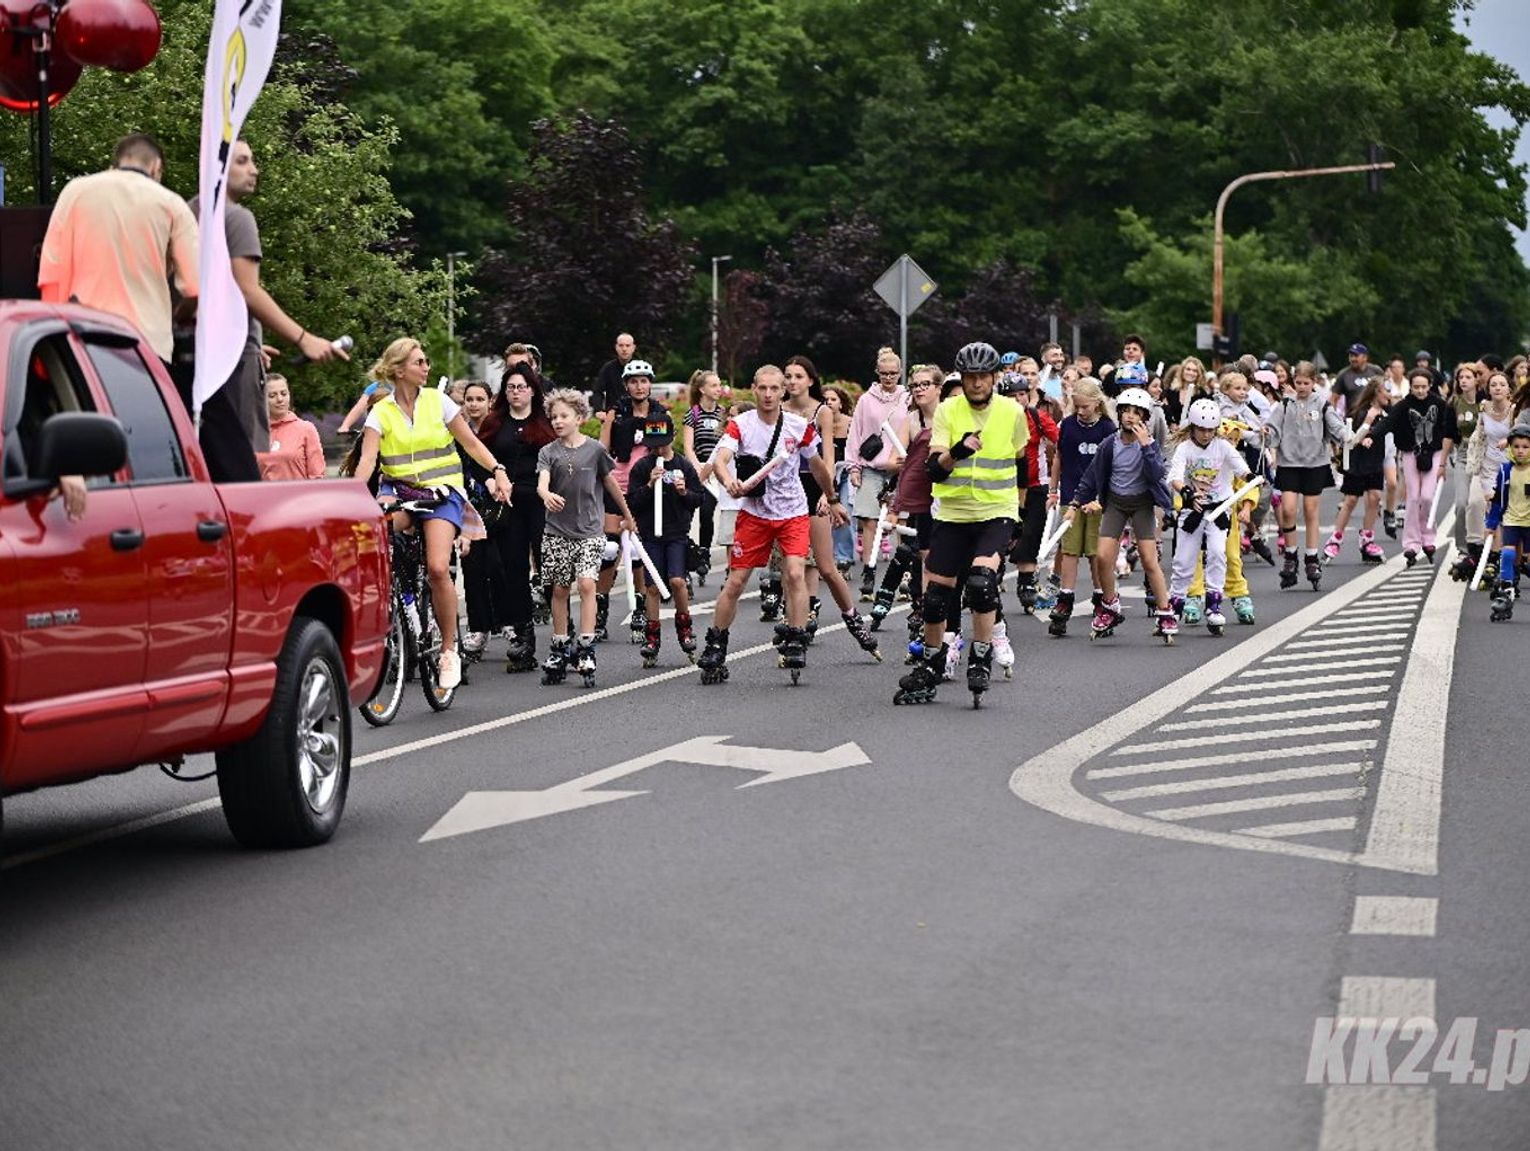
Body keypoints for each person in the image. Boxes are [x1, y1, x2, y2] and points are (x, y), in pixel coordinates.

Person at [352, 339, 510, 690]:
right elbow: (368, 461)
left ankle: (449, 650)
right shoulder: (380, 413)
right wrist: (350, 497)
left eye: (426, 361)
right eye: (419, 362)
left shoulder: (439, 402)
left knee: (438, 567)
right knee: (379, 533)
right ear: (399, 370)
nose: (426, 367)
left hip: (442, 493)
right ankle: (400, 600)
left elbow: (471, 443)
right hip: (399, 493)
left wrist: (498, 470)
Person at [195, 139, 349, 461]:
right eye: (242, 161)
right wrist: (304, 339)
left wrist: (237, 339)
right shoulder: (237, 218)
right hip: (232, 366)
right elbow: (248, 289)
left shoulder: (188, 211)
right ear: (217, 167)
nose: (254, 170)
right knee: (242, 462)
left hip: (200, 355)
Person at [893, 341, 1029, 705]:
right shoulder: (948, 410)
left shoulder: (1012, 412)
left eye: (983, 376)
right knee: (936, 597)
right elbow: (934, 470)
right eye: (970, 377)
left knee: (982, 583)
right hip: (953, 513)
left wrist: (1020, 513)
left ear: (995, 378)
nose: (977, 383)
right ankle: (930, 664)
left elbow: (1021, 463)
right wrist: (958, 451)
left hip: (996, 512)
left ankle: (981, 656)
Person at [698, 365, 849, 684]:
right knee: (736, 581)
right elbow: (721, 459)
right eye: (762, 388)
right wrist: (728, 482)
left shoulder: (798, 426)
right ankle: (716, 644)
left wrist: (833, 498)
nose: (768, 394)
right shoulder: (741, 424)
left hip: (792, 512)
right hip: (755, 514)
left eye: (774, 388)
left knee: (794, 573)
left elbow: (817, 466)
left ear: (783, 391)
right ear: (754, 389)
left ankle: (796, 637)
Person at [38, 134, 198, 366]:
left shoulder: (75, 191)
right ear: (156, 167)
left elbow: (51, 269)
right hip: (147, 342)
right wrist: (179, 315)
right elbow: (194, 286)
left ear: (114, 163)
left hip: (84, 335)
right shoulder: (172, 204)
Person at [536, 389, 638, 686]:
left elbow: (611, 483)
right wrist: (545, 494)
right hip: (557, 531)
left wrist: (627, 514)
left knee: (587, 584)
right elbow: (542, 482)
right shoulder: (548, 452)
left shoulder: (595, 450)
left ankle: (586, 646)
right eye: (554, 417)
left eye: (564, 416)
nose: (558, 421)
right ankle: (559, 646)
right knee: (559, 589)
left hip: (590, 531)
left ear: (579, 418)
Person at [781, 356, 881, 659]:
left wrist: (829, 493)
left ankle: (853, 618)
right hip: (785, 492)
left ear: (811, 380)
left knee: (826, 566)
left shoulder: (821, 411)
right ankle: (793, 626)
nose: (792, 381)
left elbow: (827, 456)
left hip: (814, 487)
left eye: (799, 376)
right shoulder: (779, 410)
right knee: (792, 568)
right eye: (788, 376)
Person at [1062, 387, 1176, 643]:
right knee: (1103, 557)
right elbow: (1091, 477)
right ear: (1120, 413)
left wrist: (1146, 447)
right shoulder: (1109, 444)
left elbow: (1157, 474)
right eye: (1126, 411)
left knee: (1149, 559)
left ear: (1145, 417)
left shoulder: (1149, 445)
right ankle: (1110, 604)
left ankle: (1165, 611)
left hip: (1142, 503)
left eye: (1137, 413)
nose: (1130, 416)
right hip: (1115, 502)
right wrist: (1075, 504)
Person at [473, 366, 557, 671]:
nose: (516, 392)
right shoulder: (495, 422)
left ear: (533, 390)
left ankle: (563, 632)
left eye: (521, 387)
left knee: (549, 565)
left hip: (541, 502)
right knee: (514, 568)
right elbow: (477, 457)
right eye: (510, 387)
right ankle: (523, 637)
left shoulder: (546, 422)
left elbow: (561, 458)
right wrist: (489, 480)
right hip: (507, 503)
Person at [597, 359, 672, 641]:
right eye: (633, 382)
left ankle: (640, 607)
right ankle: (600, 610)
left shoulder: (659, 413)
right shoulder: (616, 413)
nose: (639, 386)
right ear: (626, 385)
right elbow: (602, 450)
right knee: (609, 549)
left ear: (650, 384)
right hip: (616, 485)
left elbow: (664, 451)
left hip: (645, 486)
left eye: (643, 381)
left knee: (638, 550)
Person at [1167, 399, 1252, 635]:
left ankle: (1214, 605)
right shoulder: (1184, 448)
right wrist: (1185, 491)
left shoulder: (1222, 447)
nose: (1206, 435)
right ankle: (1174, 608)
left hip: (1218, 510)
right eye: (1201, 429)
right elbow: (1174, 476)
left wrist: (1251, 476)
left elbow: (1240, 467)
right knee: (1184, 561)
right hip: (1192, 510)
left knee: (1217, 553)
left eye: (1210, 430)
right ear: (1192, 427)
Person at [1266, 361, 1350, 589]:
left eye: (1306, 383)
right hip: (1289, 463)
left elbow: (1336, 426)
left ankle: (1311, 558)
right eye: (1298, 382)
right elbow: (1272, 428)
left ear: (1313, 382)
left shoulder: (1322, 404)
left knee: (1311, 511)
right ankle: (1290, 556)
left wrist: (1346, 435)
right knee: (1288, 510)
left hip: (1315, 463)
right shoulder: (1285, 404)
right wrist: (1266, 433)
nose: (1301, 387)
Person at [626, 428, 703, 666]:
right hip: (651, 535)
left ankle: (685, 627)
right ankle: (652, 637)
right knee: (652, 587)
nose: (659, 450)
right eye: (654, 445)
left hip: (676, 533)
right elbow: (632, 502)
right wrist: (650, 484)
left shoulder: (683, 465)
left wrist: (683, 492)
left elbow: (698, 498)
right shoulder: (642, 467)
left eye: (663, 444)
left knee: (677, 581)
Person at [1046, 377, 1115, 637]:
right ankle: (1066, 597)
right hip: (1071, 496)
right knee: (1070, 549)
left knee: (1096, 552)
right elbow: (1059, 458)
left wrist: (1104, 498)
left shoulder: (1107, 428)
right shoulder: (1068, 426)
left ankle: (1101, 599)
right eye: (1077, 407)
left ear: (1097, 403)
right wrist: (1053, 490)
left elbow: (1112, 466)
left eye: (1085, 406)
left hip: (1097, 499)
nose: (1081, 411)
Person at [846, 348, 912, 601]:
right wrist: (854, 467)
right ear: (877, 373)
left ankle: (905, 575)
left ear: (900, 373)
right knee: (869, 521)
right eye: (884, 373)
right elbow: (856, 433)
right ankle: (869, 572)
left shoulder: (907, 398)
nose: (889, 378)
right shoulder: (866, 399)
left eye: (893, 373)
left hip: (901, 468)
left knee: (902, 523)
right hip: (872, 467)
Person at [1388, 366, 1458, 566]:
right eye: (1416, 387)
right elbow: (1389, 423)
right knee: (1413, 498)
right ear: (1410, 387)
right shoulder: (1403, 405)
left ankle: (1428, 537)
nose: (1420, 391)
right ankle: (1411, 542)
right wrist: (1370, 436)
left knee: (1427, 497)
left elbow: (1450, 427)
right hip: (1411, 453)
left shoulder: (1440, 404)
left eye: (1423, 387)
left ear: (1430, 386)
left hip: (1434, 453)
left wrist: (1452, 447)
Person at [1455, 370, 1516, 582]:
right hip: (1485, 466)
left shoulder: (1515, 411)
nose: (1497, 388)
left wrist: (1509, 440)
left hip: (1508, 469)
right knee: (1474, 503)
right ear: (1488, 389)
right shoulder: (1483, 408)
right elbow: (1479, 435)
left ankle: (1496, 558)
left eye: (1502, 385)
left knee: (1499, 513)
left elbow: (1522, 437)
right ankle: (1476, 550)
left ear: (1509, 389)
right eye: (1493, 385)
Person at [1324, 375, 1391, 565]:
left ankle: (1367, 539)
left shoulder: (1387, 413)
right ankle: (1335, 538)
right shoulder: (1361, 412)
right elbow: (1352, 437)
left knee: (1375, 497)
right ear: (1377, 392)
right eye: (1386, 391)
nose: (1389, 395)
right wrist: (1366, 429)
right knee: (1351, 500)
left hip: (1376, 461)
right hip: (1358, 461)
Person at [681, 368, 729, 579]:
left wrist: (715, 467)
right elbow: (688, 447)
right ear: (702, 389)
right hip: (698, 469)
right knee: (693, 512)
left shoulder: (723, 413)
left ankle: (705, 551)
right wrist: (698, 468)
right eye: (714, 385)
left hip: (718, 468)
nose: (719, 389)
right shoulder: (693, 414)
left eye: (719, 385)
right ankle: (692, 553)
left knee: (708, 512)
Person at [1486, 423, 1530, 621]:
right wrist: (1491, 524)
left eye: (1525, 447)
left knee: (1526, 560)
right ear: (1510, 448)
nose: (1520, 451)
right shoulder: (1505, 471)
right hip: (1511, 519)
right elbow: (1497, 500)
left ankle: (1514, 577)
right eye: (1516, 446)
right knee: (1508, 553)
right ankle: (1506, 590)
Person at [257, 374, 326, 481]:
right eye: (272, 395)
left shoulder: (306, 429)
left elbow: (317, 475)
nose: (280, 399)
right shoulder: (254, 432)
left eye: (284, 394)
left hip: (299, 492)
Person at [1330, 342, 1382, 415]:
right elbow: (1333, 399)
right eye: (1351, 356)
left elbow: (1386, 391)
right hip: (1353, 417)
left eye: (1356, 356)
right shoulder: (1344, 375)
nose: (1353, 359)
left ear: (1365, 357)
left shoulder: (1376, 371)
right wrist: (1333, 417)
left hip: (1375, 415)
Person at [594, 332, 638, 415]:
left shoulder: (640, 368)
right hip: (613, 415)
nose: (624, 349)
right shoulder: (608, 368)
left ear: (633, 348)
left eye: (627, 345)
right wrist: (599, 410)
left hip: (635, 414)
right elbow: (598, 391)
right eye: (621, 345)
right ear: (616, 347)